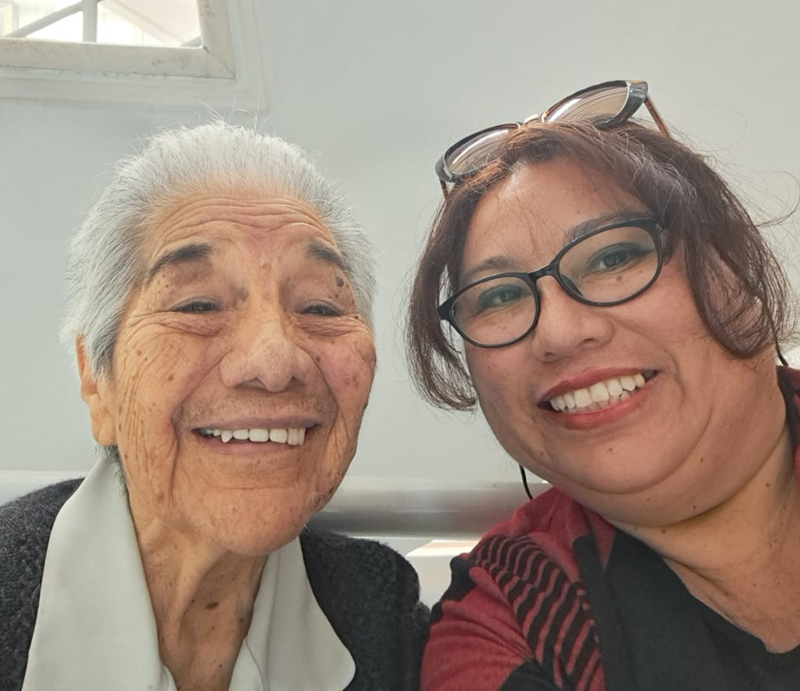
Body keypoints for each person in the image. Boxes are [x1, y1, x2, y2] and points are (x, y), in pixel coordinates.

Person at [0, 123, 427, 691]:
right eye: (197, 304)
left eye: (321, 308)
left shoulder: (383, 613)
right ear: (96, 381)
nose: (274, 362)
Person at [407, 80, 800, 690]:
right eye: (500, 296)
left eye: (614, 257)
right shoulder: (505, 615)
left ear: (738, 269)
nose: (559, 333)